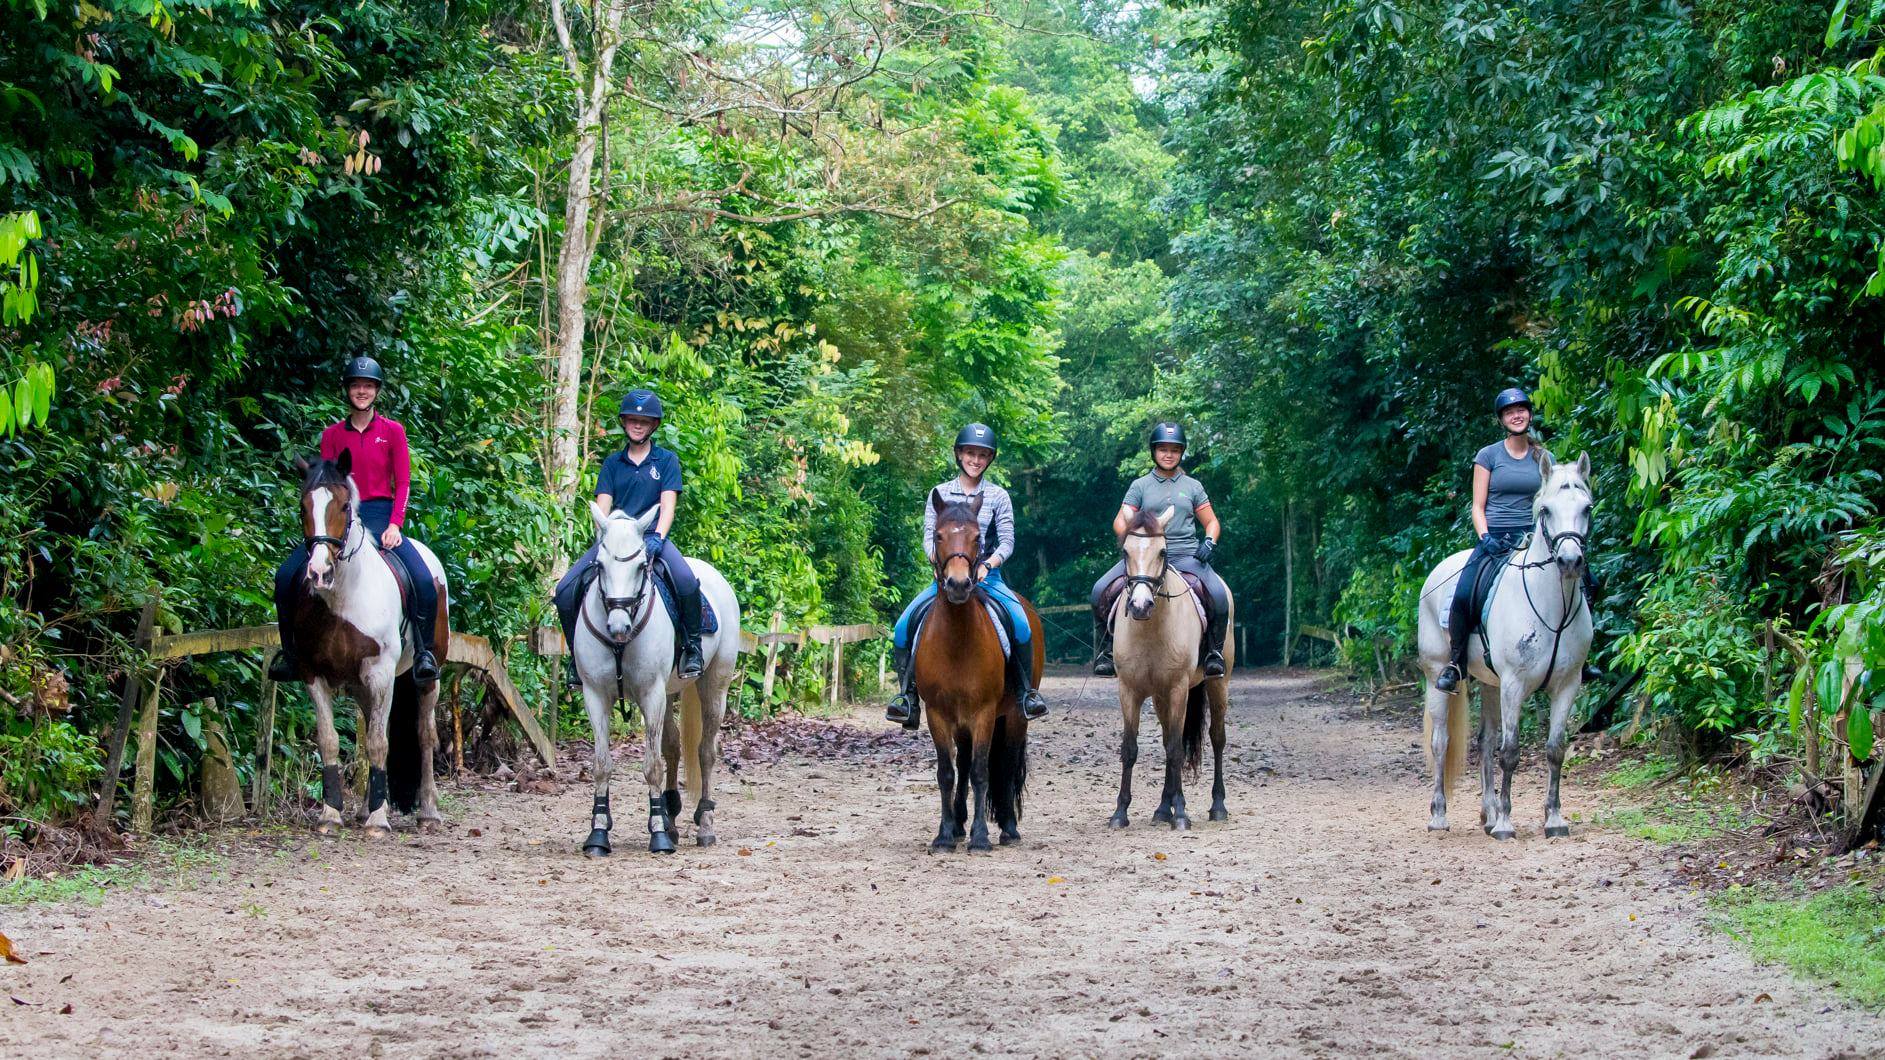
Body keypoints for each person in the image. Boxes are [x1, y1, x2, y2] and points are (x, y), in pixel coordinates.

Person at [270, 356, 440, 684]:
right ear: (347, 391)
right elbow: (323, 485)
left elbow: (403, 481)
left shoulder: (393, 432)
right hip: (338, 518)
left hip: (378, 513)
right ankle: (291, 656)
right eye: (356, 386)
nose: (361, 391)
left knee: (422, 579)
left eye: (368, 386)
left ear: (376, 391)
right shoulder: (332, 435)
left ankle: (423, 653)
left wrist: (395, 525)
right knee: (285, 576)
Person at [884, 423, 1048, 729]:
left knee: (1022, 625)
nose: (976, 459)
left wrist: (990, 564)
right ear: (959, 454)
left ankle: (1026, 693)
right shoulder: (940, 493)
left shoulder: (997, 495)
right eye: (970, 453)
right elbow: (928, 538)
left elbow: (1008, 540)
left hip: (988, 578)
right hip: (945, 580)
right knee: (903, 627)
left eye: (983, 455)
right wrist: (940, 563)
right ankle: (906, 697)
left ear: (990, 459)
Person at [1434, 387, 1598, 692]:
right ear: (1502, 420)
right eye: (1510, 412)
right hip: (1495, 538)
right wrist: (1485, 538)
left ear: (1529, 415)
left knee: (1589, 582)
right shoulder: (1488, 456)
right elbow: (1477, 506)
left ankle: (1580, 660)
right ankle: (1456, 662)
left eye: (1521, 410)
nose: (1517, 415)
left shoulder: (1544, 457)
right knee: (1464, 591)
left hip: (1536, 539)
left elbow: (1556, 504)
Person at [553, 388, 705, 684]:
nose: (638, 425)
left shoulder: (666, 461)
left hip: (651, 537)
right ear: (624, 422)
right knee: (564, 591)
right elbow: (603, 507)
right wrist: (606, 539)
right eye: (633, 420)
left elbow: (668, 505)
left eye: (644, 421)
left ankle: (692, 647)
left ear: (653, 426)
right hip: (615, 541)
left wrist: (658, 537)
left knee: (687, 582)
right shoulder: (612, 464)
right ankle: (577, 658)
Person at [1090, 422, 1229, 678]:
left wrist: (1209, 542)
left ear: (1181, 452)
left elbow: (1211, 522)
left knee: (1219, 596)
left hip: (1186, 555)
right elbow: (1121, 520)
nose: (1169, 454)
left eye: (1175, 449)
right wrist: (1133, 544)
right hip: (1144, 559)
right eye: (1163, 449)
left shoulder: (1193, 486)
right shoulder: (1140, 486)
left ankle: (1213, 653)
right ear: (1154, 451)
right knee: (1100, 590)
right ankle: (1106, 652)